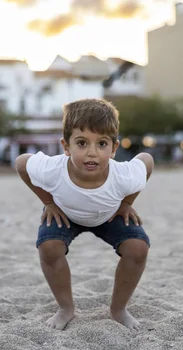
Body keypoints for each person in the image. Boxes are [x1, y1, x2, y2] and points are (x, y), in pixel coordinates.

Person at [15, 98, 154, 331]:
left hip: (109, 214)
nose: (92, 153)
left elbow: (146, 161)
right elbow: (21, 163)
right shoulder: (52, 170)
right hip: (64, 213)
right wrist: (48, 202)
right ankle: (65, 308)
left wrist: (127, 203)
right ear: (66, 146)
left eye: (102, 144)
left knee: (138, 248)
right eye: (82, 143)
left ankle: (118, 309)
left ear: (114, 148)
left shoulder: (123, 175)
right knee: (49, 248)